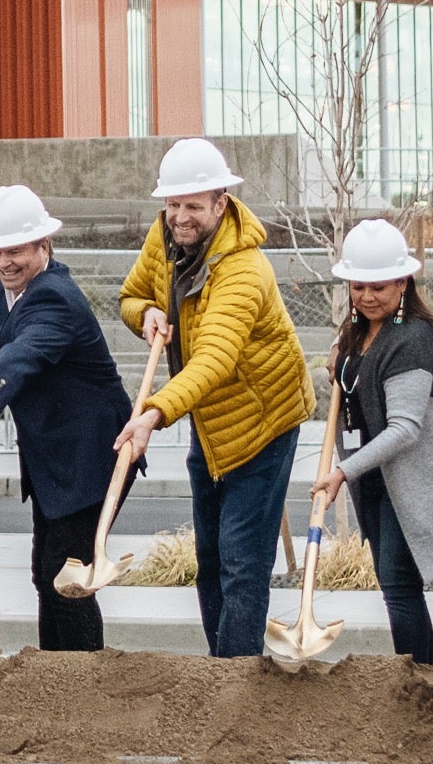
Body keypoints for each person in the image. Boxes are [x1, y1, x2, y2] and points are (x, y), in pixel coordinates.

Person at [115, 138, 308, 660]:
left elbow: (215, 361)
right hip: (210, 419)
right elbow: (132, 295)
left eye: (193, 206)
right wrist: (145, 315)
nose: (180, 216)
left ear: (221, 203)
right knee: (210, 556)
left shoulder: (244, 269)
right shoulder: (165, 238)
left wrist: (153, 413)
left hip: (262, 419)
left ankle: (236, 685)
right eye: (172, 204)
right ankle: (218, 671)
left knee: (243, 562)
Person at [0, 185, 126, 652]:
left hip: (90, 455)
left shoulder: (55, 297)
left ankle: (80, 684)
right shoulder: (8, 293)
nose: (4, 262)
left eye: (15, 250)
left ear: (44, 246)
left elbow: (22, 355)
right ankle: (51, 675)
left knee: (68, 576)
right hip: (51, 454)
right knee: (45, 572)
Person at [318, 220, 433, 665]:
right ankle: (412, 674)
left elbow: (405, 428)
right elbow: (355, 356)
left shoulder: (415, 337)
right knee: (393, 584)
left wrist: (342, 471)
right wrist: (338, 350)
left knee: (399, 582)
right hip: (379, 475)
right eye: (358, 286)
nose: (367, 297)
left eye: (379, 287)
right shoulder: (360, 327)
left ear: (404, 281)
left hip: (414, 476)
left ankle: (417, 678)